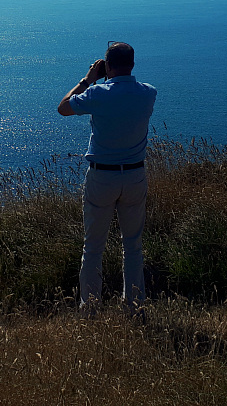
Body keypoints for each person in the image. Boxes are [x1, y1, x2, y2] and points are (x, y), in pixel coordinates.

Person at [57, 42, 157, 312]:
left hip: (102, 177)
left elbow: (64, 107)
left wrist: (88, 79)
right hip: (135, 175)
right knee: (133, 247)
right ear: (133, 64)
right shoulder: (148, 93)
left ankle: (90, 309)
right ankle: (134, 306)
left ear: (107, 66)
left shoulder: (98, 93)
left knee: (93, 248)